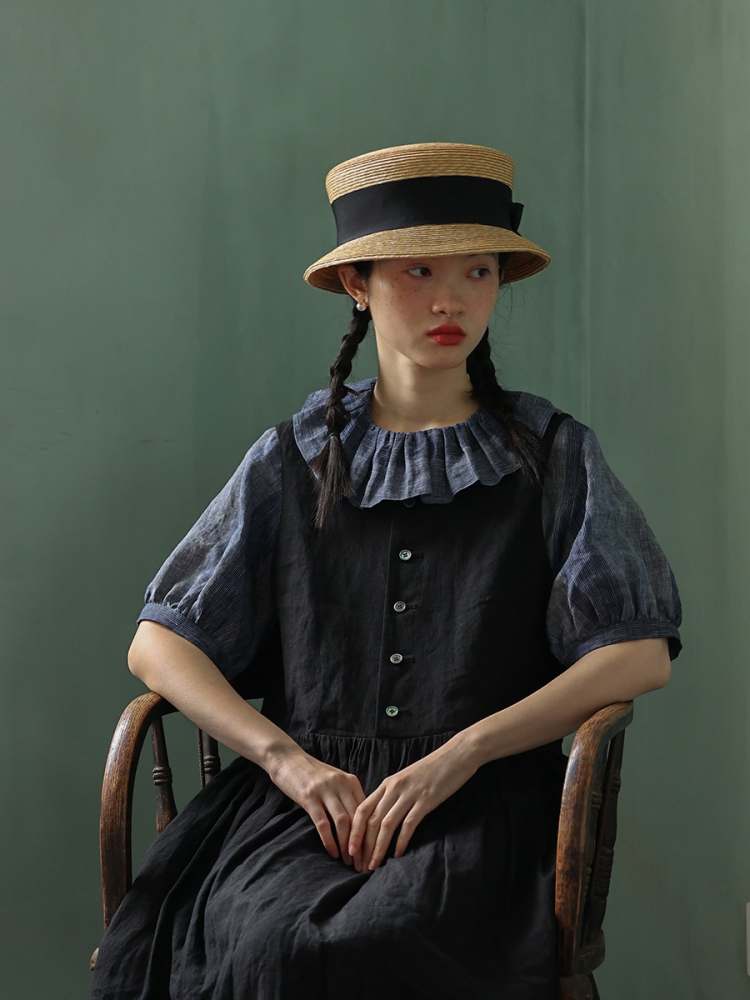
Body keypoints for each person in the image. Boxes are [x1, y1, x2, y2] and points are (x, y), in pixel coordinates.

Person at [89, 141, 683, 999]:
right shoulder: (292, 457)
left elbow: (638, 655)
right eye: (417, 271)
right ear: (357, 285)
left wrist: (466, 751)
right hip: (302, 808)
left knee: (382, 938)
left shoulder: (552, 455)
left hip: (481, 808)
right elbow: (158, 644)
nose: (452, 299)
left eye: (478, 272)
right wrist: (284, 760)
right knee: (266, 943)